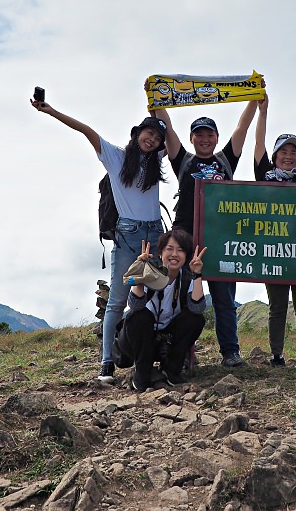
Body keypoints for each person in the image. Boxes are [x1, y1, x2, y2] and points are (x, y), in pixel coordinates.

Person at [32, 96, 166, 383]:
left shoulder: (157, 163)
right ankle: (107, 362)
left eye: (157, 137)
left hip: (154, 234)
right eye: (148, 133)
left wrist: (156, 101)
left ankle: (148, 357)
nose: (152, 139)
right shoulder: (116, 157)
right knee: (118, 300)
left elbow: (169, 133)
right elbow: (86, 130)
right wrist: (51, 111)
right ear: (136, 134)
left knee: (154, 295)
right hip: (128, 235)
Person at [153, 99, 259, 367]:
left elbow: (242, 129)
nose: (204, 139)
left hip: (219, 240)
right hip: (185, 240)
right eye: (199, 134)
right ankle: (182, 352)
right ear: (191, 139)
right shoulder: (183, 161)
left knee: (224, 299)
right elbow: (168, 129)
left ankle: (230, 352)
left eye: (209, 134)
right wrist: (155, 100)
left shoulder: (225, 159)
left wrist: (255, 99)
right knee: (183, 297)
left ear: (216, 138)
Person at [252, 94, 296, 368]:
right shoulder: (265, 176)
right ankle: (276, 355)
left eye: (294, 152)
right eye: (283, 152)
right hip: (273, 251)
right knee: (277, 307)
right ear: (276, 155)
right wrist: (263, 112)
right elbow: (257, 145)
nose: (289, 156)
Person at [114, 232, 207, 390]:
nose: (174, 254)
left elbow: (197, 307)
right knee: (138, 317)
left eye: (180, 250)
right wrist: (140, 272)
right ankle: (142, 373)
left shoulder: (186, 278)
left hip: (166, 343)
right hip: (141, 340)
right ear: (161, 252)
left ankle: (171, 370)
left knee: (195, 319)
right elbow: (135, 306)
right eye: (169, 249)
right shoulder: (150, 272)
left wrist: (197, 273)